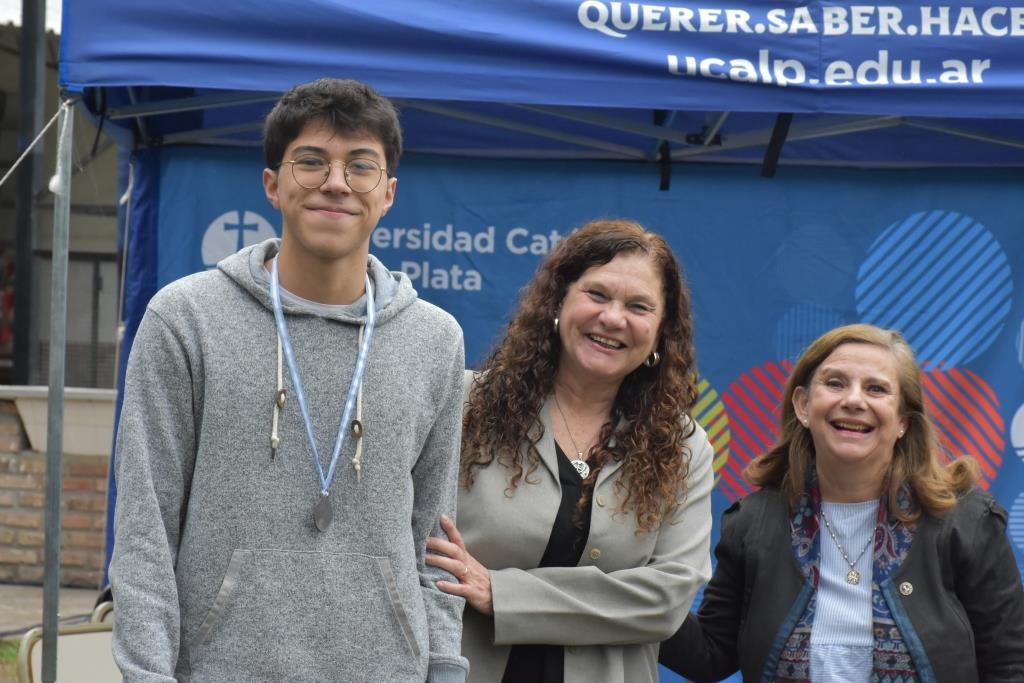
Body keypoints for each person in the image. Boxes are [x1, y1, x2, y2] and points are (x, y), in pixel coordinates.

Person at [109, 78, 469, 682]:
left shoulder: (435, 339)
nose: (336, 182)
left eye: (361, 166)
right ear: (273, 184)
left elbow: (434, 539)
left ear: (388, 194)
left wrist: (445, 667)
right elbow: (145, 529)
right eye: (311, 161)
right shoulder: (186, 319)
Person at [425, 219, 714, 682]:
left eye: (638, 306)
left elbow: (667, 599)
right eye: (597, 295)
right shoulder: (462, 406)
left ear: (661, 333)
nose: (613, 318)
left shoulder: (683, 448)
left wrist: (502, 593)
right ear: (558, 302)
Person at [660, 323, 1024, 682]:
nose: (853, 400)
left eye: (877, 388)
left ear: (903, 422)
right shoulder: (752, 524)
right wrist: (627, 581)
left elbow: (1010, 664)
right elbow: (710, 655)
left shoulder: (966, 522)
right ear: (803, 405)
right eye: (835, 383)